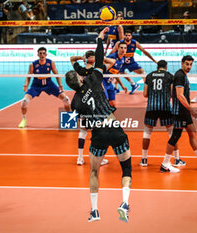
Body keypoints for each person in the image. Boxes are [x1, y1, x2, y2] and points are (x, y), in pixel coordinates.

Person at [65, 27, 132, 223]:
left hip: (98, 134)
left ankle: (94, 211)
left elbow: (83, 122)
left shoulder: (74, 103)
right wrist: (100, 40)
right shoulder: (94, 79)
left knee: (94, 171)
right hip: (114, 127)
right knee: (126, 168)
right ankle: (124, 204)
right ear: (80, 78)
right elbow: (101, 60)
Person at [162, 55, 197, 173]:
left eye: (191, 64)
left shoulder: (182, 75)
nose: (189, 67)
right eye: (187, 64)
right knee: (175, 137)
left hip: (183, 111)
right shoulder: (180, 75)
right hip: (179, 112)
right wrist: (191, 109)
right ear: (182, 63)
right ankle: (165, 163)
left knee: (192, 133)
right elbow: (180, 95)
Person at [141, 60, 185, 167]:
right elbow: (171, 93)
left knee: (147, 133)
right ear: (166, 67)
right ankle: (177, 159)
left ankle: (144, 159)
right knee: (171, 133)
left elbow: (145, 94)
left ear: (157, 67)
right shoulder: (170, 76)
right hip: (165, 107)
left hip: (151, 107)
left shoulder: (149, 76)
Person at [70, 51, 109, 166]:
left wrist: (81, 58)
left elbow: (72, 58)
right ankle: (96, 158)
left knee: (83, 130)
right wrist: (101, 58)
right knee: (97, 131)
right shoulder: (95, 70)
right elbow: (112, 62)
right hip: (93, 100)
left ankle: (80, 158)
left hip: (82, 98)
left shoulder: (81, 70)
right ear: (89, 58)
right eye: (93, 56)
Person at [19, 47, 71, 128]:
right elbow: (28, 76)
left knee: (66, 100)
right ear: (38, 54)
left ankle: (68, 119)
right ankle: (24, 119)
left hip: (49, 85)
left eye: (44, 53)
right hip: (36, 85)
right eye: (40, 53)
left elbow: (57, 74)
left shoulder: (50, 63)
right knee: (24, 102)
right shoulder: (33, 64)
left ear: (46, 54)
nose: (42, 55)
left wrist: (60, 84)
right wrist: (26, 84)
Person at [110, 30, 157, 94]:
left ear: (131, 36)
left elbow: (144, 51)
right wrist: (106, 59)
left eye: (129, 35)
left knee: (143, 73)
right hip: (121, 62)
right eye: (126, 35)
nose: (127, 37)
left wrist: (154, 60)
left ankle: (149, 89)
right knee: (117, 73)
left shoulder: (135, 43)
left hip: (131, 62)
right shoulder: (119, 43)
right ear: (124, 36)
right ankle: (119, 87)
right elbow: (112, 52)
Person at [104, 42, 127, 107]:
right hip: (103, 81)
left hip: (109, 83)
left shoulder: (122, 59)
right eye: (121, 48)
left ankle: (110, 117)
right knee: (104, 102)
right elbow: (100, 65)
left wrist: (122, 85)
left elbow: (116, 74)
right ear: (118, 48)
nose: (123, 50)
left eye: (125, 48)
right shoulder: (112, 57)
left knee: (113, 105)